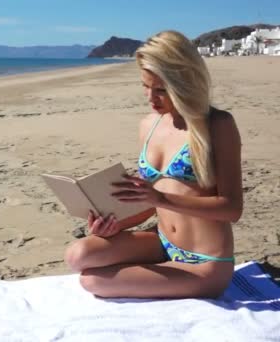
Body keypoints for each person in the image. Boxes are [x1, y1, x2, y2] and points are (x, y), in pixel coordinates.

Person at [64, 30, 243, 299]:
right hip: (160, 241)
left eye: (160, 90)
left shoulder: (217, 125)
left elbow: (231, 209)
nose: (150, 97)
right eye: (145, 87)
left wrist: (161, 197)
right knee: (78, 255)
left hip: (205, 262)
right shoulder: (149, 124)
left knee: (93, 281)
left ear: (184, 82)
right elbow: (147, 203)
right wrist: (115, 224)